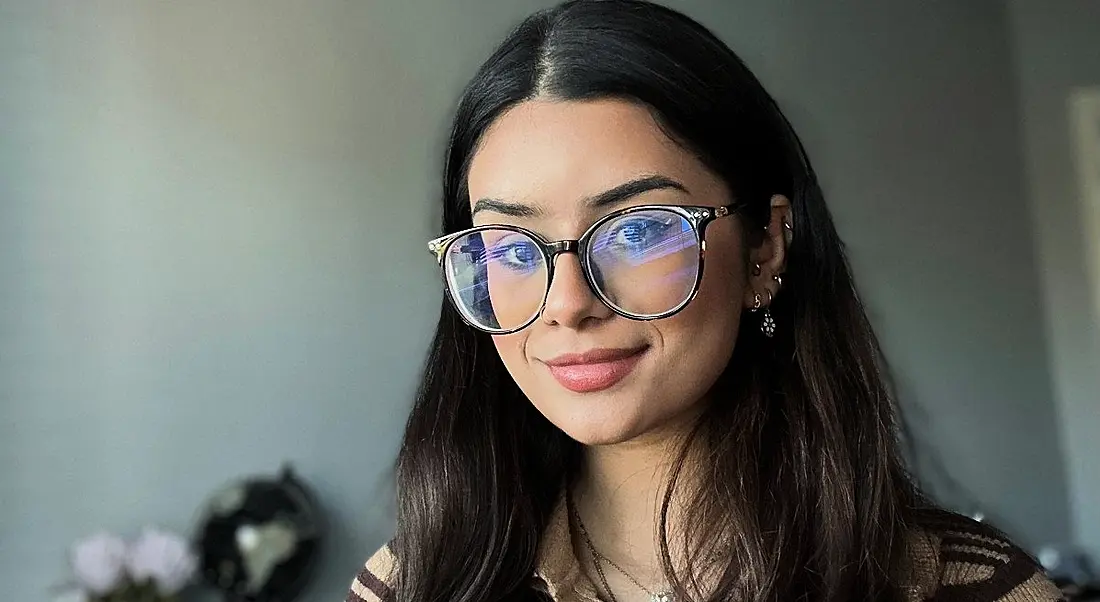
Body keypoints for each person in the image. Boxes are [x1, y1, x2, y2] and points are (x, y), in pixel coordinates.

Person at [347, 2, 1064, 602]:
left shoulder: (964, 589)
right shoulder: (413, 586)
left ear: (765, 248)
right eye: (507, 247)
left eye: (636, 232)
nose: (567, 304)